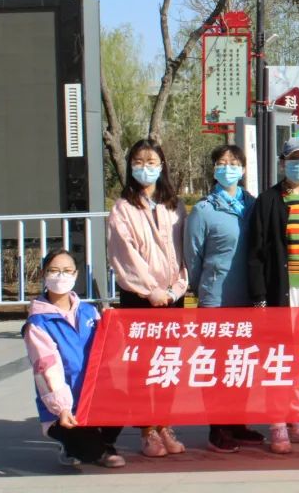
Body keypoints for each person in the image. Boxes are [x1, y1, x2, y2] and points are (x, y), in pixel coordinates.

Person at [106, 138, 187, 458]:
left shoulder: (174, 206)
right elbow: (124, 256)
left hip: (172, 297)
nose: (145, 168)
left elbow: (185, 252)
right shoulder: (122, 209)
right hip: (139, 298)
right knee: (142, 366)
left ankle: (165, 423)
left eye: (152, 162)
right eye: (139, 162)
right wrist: (150, 290)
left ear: (162, 165)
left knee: (169, 363)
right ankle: (146, 429)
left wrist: (177, 288)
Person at [248, 136, 299, 454]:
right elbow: (256, 254)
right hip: (280, 292)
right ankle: (278, 424)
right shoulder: (268, 201)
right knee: (279, 359)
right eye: (294, 159)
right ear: (283, 163)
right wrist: (259, 298)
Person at [183, 144, 264, 453]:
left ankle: (238, 423)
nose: (227, 167)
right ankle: (217, 429)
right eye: (221, 162)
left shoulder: (253, 205)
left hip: (248, 299)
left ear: (243, 169)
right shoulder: (204, 210)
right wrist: (203, 287)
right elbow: (193, 257)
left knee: (241, 363)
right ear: (214, 169)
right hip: (216, 301)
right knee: (216, 366)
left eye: (233, 162)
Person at [23, 250, 125, 468]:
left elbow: (110, 350)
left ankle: (105, 442)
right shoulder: (38, 323)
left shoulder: (89, 312)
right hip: (62, 408)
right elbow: (47, 368)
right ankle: (76, 445)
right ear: (44, 274)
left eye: (67, 271)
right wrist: (62, 408)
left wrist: (115, 326)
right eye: (54, 270)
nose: (61, 276)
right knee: (88, 452)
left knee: (124, 401)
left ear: (76, 274)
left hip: (93, 398)